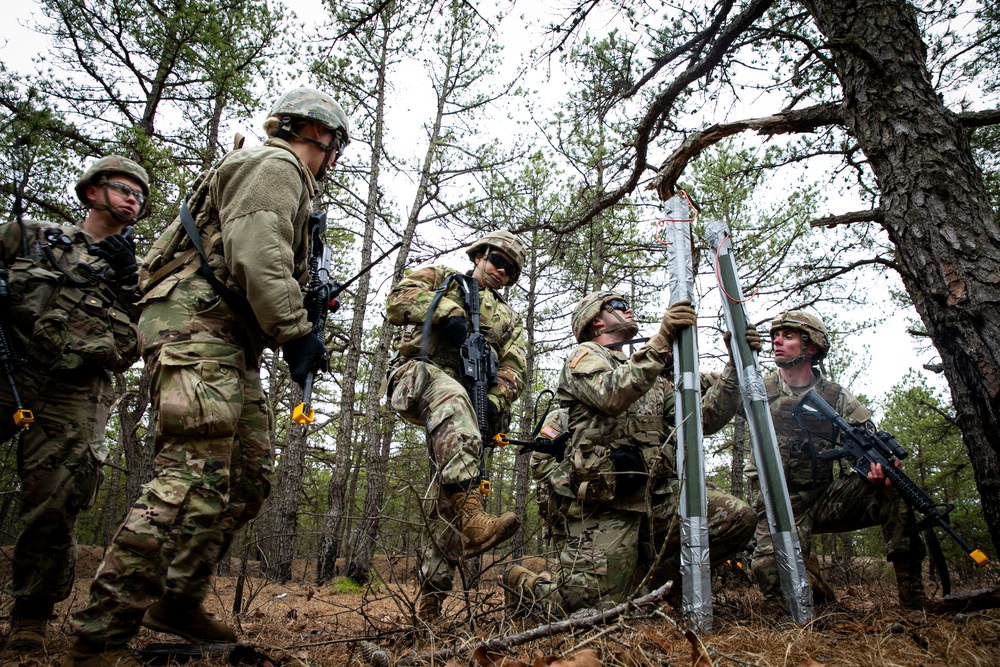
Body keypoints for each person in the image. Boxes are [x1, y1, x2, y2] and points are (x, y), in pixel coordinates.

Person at [63, 86, 350, 667]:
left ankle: (175, 599)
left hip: (228, 338)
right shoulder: (277, 163)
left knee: (245, 477)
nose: (332, 157)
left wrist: (298, 318)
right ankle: (99, 638)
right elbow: (255, 252)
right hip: (194, 326)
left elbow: (259, 259)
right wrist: (296, 330)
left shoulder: (276, 170)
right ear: (321, 137)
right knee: (192, 478)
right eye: (333, 146)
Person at [504, 291, 757, 617]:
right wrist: (662, 339)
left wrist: (734, 365)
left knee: (736, 518)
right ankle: (522, 582)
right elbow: (613, 394)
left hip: (658, 499)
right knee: (590, 612)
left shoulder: (650, 373)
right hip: (607, 507)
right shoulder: (585, 357)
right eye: (620, 306)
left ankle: (650, 585)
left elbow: (701, 419)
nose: (630, 308)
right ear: (596, 320)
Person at [0, 155, 146, 652]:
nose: (133, 199)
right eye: (125, 188)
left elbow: (146, 334)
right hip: (8, 368)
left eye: (140, 196)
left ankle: (30, 616)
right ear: (92, 191)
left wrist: (132, 283)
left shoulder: (136, 270)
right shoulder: (30, 236)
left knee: (55, 500)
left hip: (76, 388)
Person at [385, 231, 527, 621]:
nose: (502, 271)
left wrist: (496, 401)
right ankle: (474, 516)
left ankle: (431, 601)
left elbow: (515, 367)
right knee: (450, 395)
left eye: (512, 270)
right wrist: (449, 314)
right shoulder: (444, 277)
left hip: (471, 402)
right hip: (419, 376)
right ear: (479, 254)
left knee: (453, 495)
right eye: (498, 260)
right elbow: (397, 298)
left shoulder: (510, 320)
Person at [747, 310, 927, 610]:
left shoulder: (835, 395)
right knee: (776, 582)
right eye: (775, 336)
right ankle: (813, 578)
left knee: (895, 487)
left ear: (812, 347)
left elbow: (866, 436)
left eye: (788, 336)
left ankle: (913, 602)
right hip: (776, 504)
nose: (776, 341)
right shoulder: (758, 389)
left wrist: (879, 468)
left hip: (824, 498)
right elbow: (713, 389)